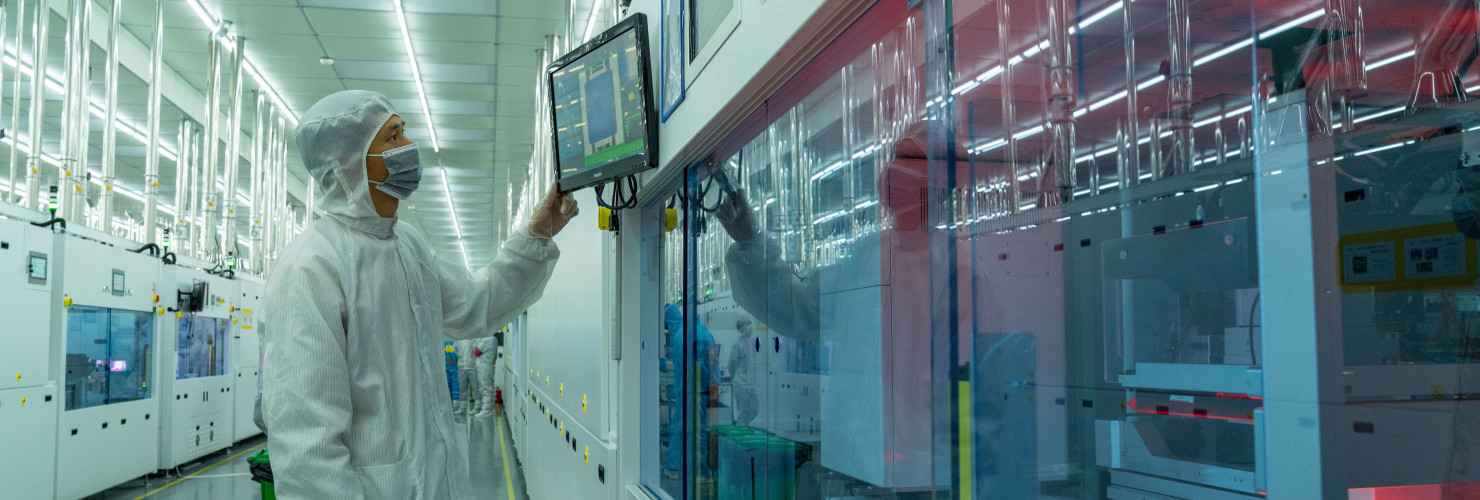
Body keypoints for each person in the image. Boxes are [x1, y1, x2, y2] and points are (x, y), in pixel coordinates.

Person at [261, 90, 578, 500]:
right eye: (392, 137)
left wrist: (538, 233)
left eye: (403, 133)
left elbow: (477, 304)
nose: (409, 147)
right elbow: (307, 445)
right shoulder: (310, 266)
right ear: (346, 163)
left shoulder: (406, 246)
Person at [726, 318, 758, 426]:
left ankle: (745, 427)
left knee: (754, 411)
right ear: (743, 328)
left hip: (751, 385)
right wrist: (734, 377)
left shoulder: (753, 342)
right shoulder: (737, 343)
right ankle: (741, 434)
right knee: (743, 414)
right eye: (748, 324)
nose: (750, 326)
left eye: (750, 323)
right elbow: (731, 363)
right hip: (741, 385)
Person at [471, 333, 498, 418]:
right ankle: (489, 409)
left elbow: (476, 352)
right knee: (489, 387)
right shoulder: (493, 339)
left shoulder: (487, 339)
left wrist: (477, 343)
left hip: (484, 367)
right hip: (488, 366)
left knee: (485, 388)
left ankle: (486, 411)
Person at [454, 339, 477, 415]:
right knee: (462, 389)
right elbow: (455, 349)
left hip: (473, 366)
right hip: (461, 366)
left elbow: (478, 350)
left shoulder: (475, 338)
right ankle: (462, 408)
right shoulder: (458, 339)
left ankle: (477, 408)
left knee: (475, 388)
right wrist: (461, 357)